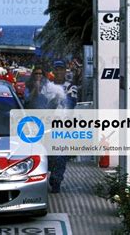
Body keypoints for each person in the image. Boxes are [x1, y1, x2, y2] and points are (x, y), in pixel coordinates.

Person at [47, 60, 78, 193]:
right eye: (57, 69)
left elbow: (71, 104)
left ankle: (56, 180)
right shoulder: (48, 87)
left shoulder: (71, 87)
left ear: (65, 71)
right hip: (47, 126)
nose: (59, 72)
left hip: (63, 127)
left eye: (61, 69)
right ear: (53, 71)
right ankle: (51, 175)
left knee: (61, 156)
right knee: (49, 155)